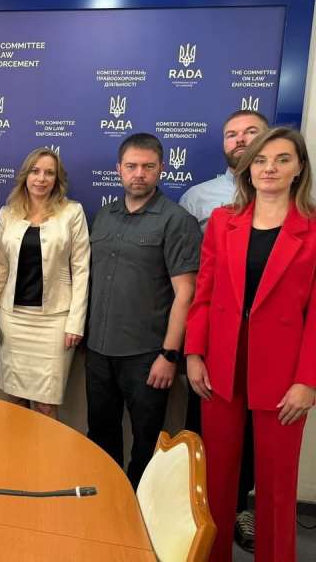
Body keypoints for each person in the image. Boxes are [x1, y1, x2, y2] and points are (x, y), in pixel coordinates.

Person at [185, 127, 316, 562]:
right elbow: (204, 295)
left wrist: (308, 381)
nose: (269, 168)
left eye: (281, 159)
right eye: (260, 160)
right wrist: (194, 353)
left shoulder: (312, 229)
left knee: (277, 486)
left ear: (299, 168)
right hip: (221, 365)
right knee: (216, 479)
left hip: (283, 374)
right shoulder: (224, 221)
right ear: (248, 168)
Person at [86, 132, 201, 488]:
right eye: (132, 166)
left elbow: (186, 293)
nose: (139, 174)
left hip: (147, 355)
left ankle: (138, 508)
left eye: (148, 167)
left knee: (147, 439)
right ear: (118, 169)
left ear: (161, 169)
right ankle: (106, 498)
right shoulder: (104, 215)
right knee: (100, 433)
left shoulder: (176, 220)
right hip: (98, 350)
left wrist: (169, 354)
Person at [179, 109, 268, 552]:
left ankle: (241, 507)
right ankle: (200, 509)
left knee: (257, 426)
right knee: (205, 424)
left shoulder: (293, 204)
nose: (241, 140)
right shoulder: (200, 198)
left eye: (251, 132)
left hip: (266, 334)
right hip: (211, 328)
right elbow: (188, 272)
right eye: (232, 134)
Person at [0, 147, 89, 418]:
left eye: (49, 173)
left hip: (55, 322)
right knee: (14, 398)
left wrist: (75, 322)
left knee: (46, 405)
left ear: (57, 179)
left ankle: (45, 449)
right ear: (25, 176)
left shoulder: (72, 212)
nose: (41, 178)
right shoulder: (8, 213)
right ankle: (15, 447)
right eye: (35, 171)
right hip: (14, 319)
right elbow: (1, 268)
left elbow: (81, 270)